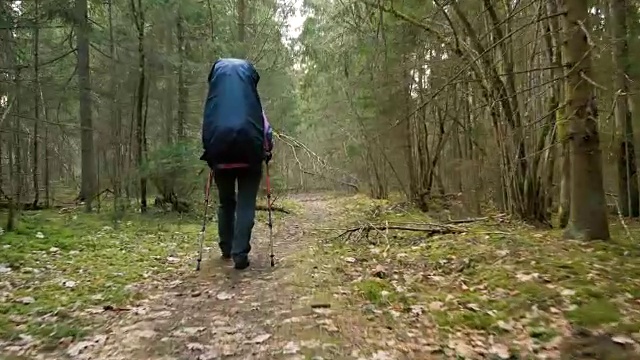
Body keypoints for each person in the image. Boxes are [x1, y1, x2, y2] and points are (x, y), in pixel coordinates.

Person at [200, 58, 274, 270]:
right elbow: (267, 134)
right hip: (250, 155)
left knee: (226, 201)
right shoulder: (253, 107)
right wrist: (267, 152)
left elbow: (206, 133)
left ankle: (226, 247)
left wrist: (211, 156)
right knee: (245, 203)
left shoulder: (214, 107)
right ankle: (239, 253)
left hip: (221, 156)